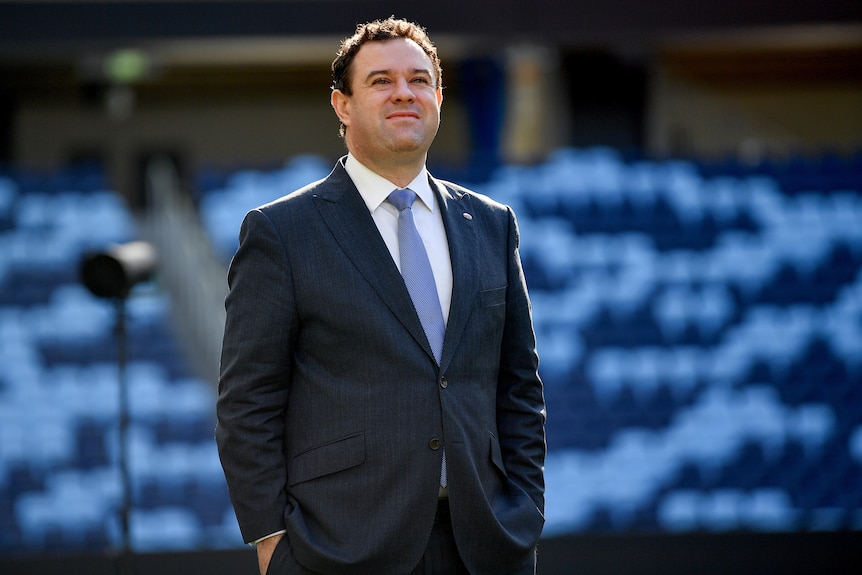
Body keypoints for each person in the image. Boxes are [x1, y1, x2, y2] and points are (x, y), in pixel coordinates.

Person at [216, 17, 546, 575]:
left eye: (419, 80)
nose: (404, 93)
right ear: (341, 105)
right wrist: (274, 543)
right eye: (381, 81)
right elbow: (247, 403)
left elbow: (520, 387)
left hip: (485, 545)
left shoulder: (491, 224)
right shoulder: (282, 232)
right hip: (340, 548)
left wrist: (525, 511)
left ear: (439, 98)